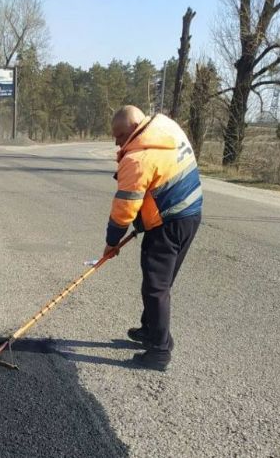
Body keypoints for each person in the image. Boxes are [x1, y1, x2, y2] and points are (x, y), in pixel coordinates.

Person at [104, 105, 202, 371]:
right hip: (190, 214)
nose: (116, 142)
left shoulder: (138, 159)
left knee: (156, 287)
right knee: (161, 282)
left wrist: (111, 243)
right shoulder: (165, 126)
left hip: (168, 224)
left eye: (120, 135)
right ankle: (149, 330)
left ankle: (159, 351)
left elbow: (124, 209)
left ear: (134, 128)